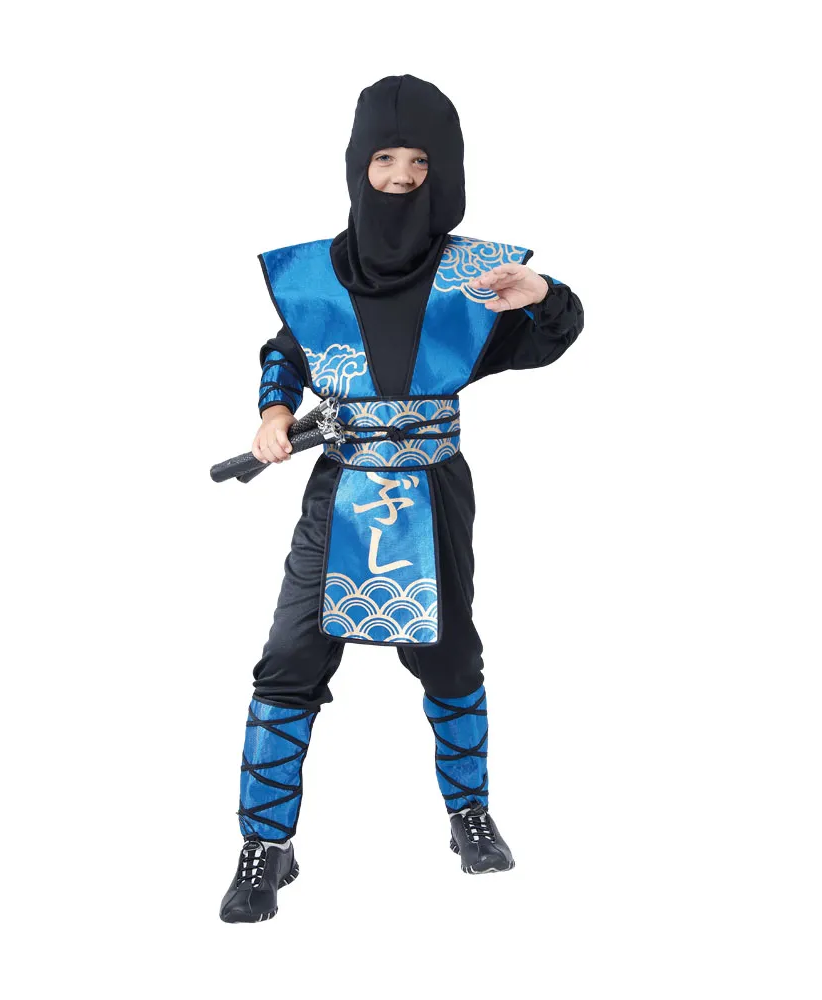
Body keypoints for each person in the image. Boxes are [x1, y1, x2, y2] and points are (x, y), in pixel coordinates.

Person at [220, 74, 585, 923]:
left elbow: (549, 335)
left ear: (443, 169)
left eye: (420, 161)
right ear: (359, 164)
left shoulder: (475, 275)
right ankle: (266, 846)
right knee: (290, 660)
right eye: (385, 158)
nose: (400, 176)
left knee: (451, 656)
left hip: (434, 491)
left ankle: (470, 816)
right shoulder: (317, 275)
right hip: (341, 488)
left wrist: (545, 295)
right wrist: (273, 413)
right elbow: (286, 349)